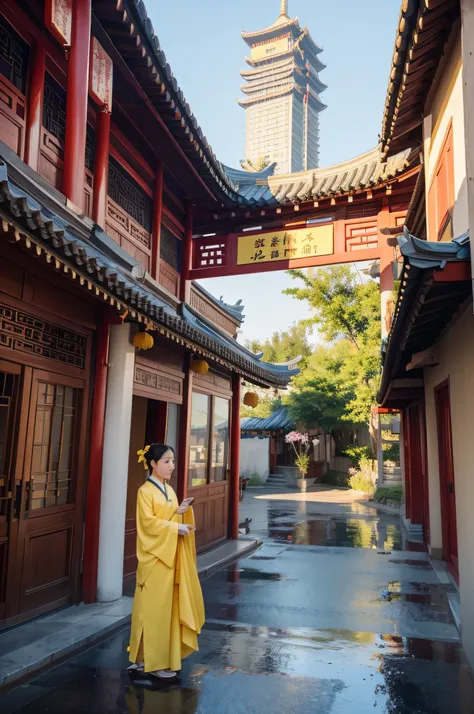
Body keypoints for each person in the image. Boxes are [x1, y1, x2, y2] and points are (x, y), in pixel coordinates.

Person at [127, 443, 205, 680]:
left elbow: (165, 517)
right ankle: (153, 662)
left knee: (165, 611)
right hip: (155, 558)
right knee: (151, 611)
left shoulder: (168, 490)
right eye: (166, 461)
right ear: (153, 464)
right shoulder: (145, 491)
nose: (171, 466)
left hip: (169, 556)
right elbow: (148, 524)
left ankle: (147, 659)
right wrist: (175, 526)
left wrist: (180, 512)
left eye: (172, 461)